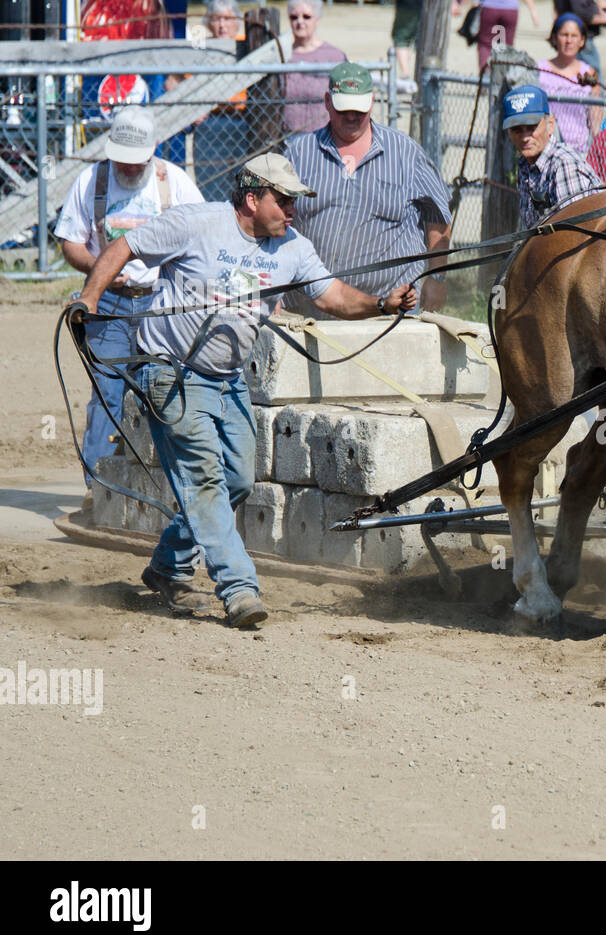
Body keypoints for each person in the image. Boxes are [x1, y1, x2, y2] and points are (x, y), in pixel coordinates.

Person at [70, 154, 419, 627]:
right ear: (252, 199)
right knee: (205, 480)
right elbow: (122, 248)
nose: (292, 210)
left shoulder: (292, 247)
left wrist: (380, 303)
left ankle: (167, 567)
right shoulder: (196, 223)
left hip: (228, 381)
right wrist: (89, 299)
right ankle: (239, 588)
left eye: (295, 201)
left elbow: (332, 296)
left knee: (236, 480)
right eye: (284, 200)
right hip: (171, 373)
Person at [55, 106, 205, 489]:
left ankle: (169, 487)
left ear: (152, 150)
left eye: (136, 161)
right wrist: (98, 266)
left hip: (162, 304)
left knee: (167, 390)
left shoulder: (175, 183)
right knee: (107, 391)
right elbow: (70, 240)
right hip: (109, 304)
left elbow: (204, 237)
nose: (128, 168)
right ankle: (99, 490)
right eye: (121, 159)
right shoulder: (93, 181)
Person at [282, 63, 452, 317]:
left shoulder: (406, 152)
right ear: (327, 102)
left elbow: (438, 215)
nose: (351, 116)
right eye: (344, 109)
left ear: (372, 102)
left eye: (359, 110)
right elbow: (274, 221)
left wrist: (437, 277)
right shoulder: (298, 153)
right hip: (315, 307)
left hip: (394, 308)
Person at [503, 84, 601, 229]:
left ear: (550, 125)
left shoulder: (564, 165)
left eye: (531, 128)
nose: (525, 137)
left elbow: (576, 234)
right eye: (517, 130)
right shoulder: (525, 164)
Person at [193, 0, 250, 201]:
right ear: (208, 23)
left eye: (227, 19)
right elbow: (180, 82)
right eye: (216, 19)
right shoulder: (201, 47)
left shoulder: (248, 44)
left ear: (237, 22)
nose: (222, 25)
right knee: (211, 187)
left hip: (245, 120)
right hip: (211, 123)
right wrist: (192, 109)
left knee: (244, 185)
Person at [536, 14, 601, 157]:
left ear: (582, 40)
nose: (569, 41)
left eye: (574, 36)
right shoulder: (540, 69)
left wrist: (597, 148)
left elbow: (596, 118)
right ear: (554, 38)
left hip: (579, 151)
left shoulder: (589, 73)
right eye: (564, 35)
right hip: (546, 149)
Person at [282, 0, 347, 135]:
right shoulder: (281, 56)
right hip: (287, 138)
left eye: (307, 17)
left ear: (317, 18)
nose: (300, 22)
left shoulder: (334, 56)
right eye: (294, 17)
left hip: (326, 136)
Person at [454, 0, 541, 72]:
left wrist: (459, 3)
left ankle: (486, 77)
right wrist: (533, 9)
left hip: (490, 8)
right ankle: (502, 78)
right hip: (510, 9)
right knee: (505, 47)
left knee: (486, 45)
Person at [391, 0, 421, 87]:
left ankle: (405, 75)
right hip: (427, 6)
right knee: (423, 41)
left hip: (407, 5)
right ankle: (424, 75)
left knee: (402, 39)